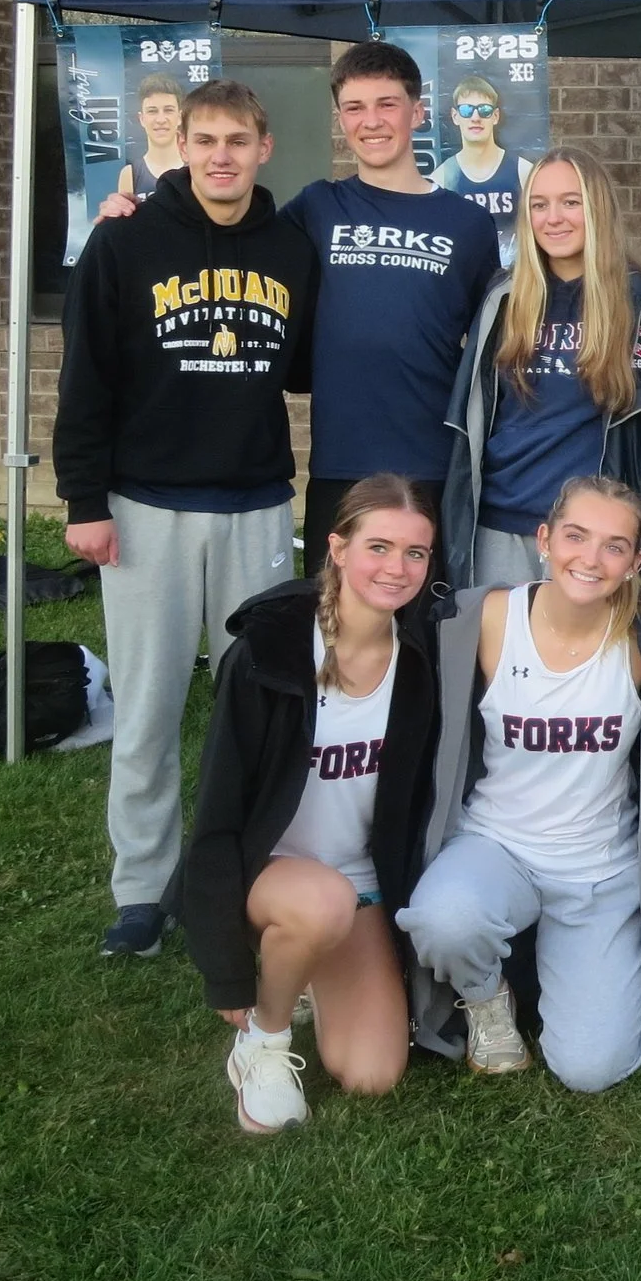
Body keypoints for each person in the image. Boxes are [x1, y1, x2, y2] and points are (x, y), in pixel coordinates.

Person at [56, 78, 318, 961]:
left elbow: (303, 366)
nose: (220, 157)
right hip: (145, 506)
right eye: (205, 140)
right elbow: (85, 375)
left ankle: (250, 871)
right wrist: (84, 501)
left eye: (237, 141)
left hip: (256, 505)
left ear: (264, 148)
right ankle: (142, 889)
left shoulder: (290, 248)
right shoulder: (124, 240)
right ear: (184, 146)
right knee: (148, 704)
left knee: (263, 705)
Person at [97, 41, 498, 580]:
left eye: (387, 104)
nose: (371, 121)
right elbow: (227, 232)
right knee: (333, 619)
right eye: (354, 107)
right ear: (340, 119)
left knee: (426, 618)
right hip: (339, 463)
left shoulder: (467, 224)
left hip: (433, 460)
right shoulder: (316, 208)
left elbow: (495, 347)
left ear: (418, 113)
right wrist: (138, 213)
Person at [397, 475, 641, 1090]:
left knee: (592, 1068)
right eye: (575, 536)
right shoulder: (485, 619)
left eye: (615, 546)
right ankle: (486, 996)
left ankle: (558, 967)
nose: (591, 558)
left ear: (636, 562)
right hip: (495, 845)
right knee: (443, 919)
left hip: (598, 869)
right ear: (544, 539)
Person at [177, 476, 442, 1133]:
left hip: (360, 882)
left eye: (415, 552)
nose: (397, 567)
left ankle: (306, 968)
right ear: (338, 548)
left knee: (373, 1073)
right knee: (321, 902)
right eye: (378, 546)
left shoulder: (418, 662)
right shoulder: (268, 656)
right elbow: (217, 813)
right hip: (271, 876)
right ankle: (264, 1040)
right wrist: (226, 972)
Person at [443, 146, 641, 591]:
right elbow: (472, 420)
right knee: (500, 639)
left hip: (592, 533)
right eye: (539, 205)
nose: (553, 218)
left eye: (570, 202)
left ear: (598, 208)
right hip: (501, 524)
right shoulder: (502, 299)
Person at [433, 75, 534, 269]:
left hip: (515, 279)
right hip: (465, 280)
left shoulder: (523, 171)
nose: (475, 117)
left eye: (484, 110)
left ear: (495, 116)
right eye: (466, 110)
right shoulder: (443, 178)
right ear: (455, 116)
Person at [123, 73, 184, 199]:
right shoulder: (131, 174)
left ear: (179, 117)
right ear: (142, 119)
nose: (161, 119)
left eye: (168, 110)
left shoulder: (196, 169)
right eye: (152, 111)